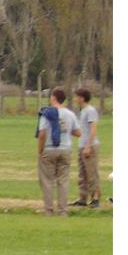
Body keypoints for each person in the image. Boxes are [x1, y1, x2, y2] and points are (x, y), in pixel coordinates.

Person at [37, 89, 79, 217]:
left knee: (47, 181)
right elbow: (78, 133)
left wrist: (40, 150)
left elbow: (42, 134)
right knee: (63, 181)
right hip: (65, 149)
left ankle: (49, 210)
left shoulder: (47, 113)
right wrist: (66, 130)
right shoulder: (70, 114)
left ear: (54, 98)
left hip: (49, 149)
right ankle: (63, 211)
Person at [72, 88, 101, 208]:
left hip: (90, 146)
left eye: (76, 96)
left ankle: (95, 198)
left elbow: (93, 130)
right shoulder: (83, 111)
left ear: (82, 98)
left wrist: (88, 146)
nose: (75, 99)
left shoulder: (90, 111)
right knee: (82, 174)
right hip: (82, 146)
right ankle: (82, 198)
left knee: (91, 173)